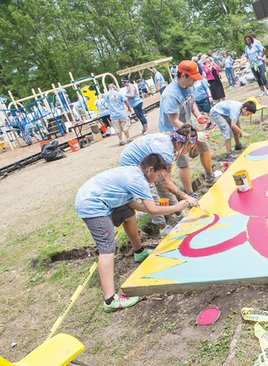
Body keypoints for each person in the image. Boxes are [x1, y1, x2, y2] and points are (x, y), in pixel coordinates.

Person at [75, 153, 194, 312]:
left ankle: (139, 251)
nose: (158, 179)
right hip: (92, 204)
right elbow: (152, 209)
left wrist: (168, 208)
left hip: (101, 198)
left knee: (128, 214)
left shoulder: (135, 172)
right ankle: (110, 300)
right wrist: (177, 207)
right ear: (150, 170)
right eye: (158, 175)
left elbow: (133, 204)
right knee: (107, 247)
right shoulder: (138, 180)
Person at [120, 126, 200, 236]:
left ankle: (179, 214)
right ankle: (162, 227)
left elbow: (166, 182)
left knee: (161, 183)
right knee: (150, 192)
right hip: (132, 163)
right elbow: (168, 183)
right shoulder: (166, 153)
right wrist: (186, 197)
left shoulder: (170, 140)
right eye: (188, 148)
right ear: (178, 144)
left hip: (139, 156)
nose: (187, 152)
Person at [159, 60, 216, 196]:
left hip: (187, 126)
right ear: (183, 76)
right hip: (172, 131)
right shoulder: (171, 95)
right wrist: (194, 134)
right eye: (193, 78)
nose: (195, 81)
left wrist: (198, 116)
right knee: (183, 162)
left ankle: (209, 176)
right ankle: (190, 193)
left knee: (204, 147)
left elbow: (192, 102)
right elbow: (174, 121)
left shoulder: (189, 86)